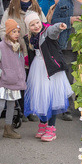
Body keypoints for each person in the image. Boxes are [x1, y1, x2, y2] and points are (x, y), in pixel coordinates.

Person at [23, 11, 71, 141]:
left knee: (51, 98)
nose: (36, 26)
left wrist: (59, 26)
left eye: (37, 22)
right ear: (29, 27)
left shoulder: (46, 32)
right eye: (32, 24)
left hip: (51, 70)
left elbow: (53, 31)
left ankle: (51, 128)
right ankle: (43, 123)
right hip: (38, 70)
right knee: (40, 97)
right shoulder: (30, 38)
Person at [50, 0, 82, 121]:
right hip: (68, 46)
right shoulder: (64, 2)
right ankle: (66, 107)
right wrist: (69, 20)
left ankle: (80, 106)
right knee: (67, 77)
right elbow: (54, 21)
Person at [0, 18, 27, 143]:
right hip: (4, 81)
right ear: (8, 32)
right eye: (14, 31)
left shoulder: (17, 47)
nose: (16, 34)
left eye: (18, 31)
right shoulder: (0, 48)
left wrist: (21, 76)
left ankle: (8, 129)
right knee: (0, 105)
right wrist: (2, 74)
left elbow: (20, 64)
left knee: (11, 105)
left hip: (14, 81)